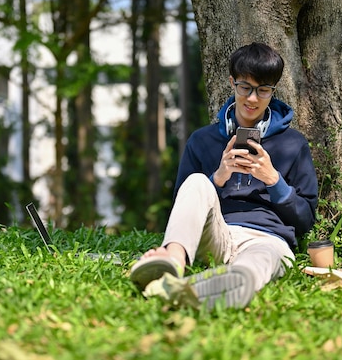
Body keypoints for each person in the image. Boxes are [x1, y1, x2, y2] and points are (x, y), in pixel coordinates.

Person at [129, 42, 318, 310]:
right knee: (196, 181)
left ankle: (222, 286)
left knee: (254, 265)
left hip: (268, 240)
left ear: (273, 92)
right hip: (217, 235)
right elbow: (183, 206)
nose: (252, 99)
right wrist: (218, 177)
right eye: (245, 88)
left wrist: (274, 180)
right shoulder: (202, 140)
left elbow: (305, 220)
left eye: (263, 90)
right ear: (232, 83)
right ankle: (172, 263)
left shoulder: (293, 144)